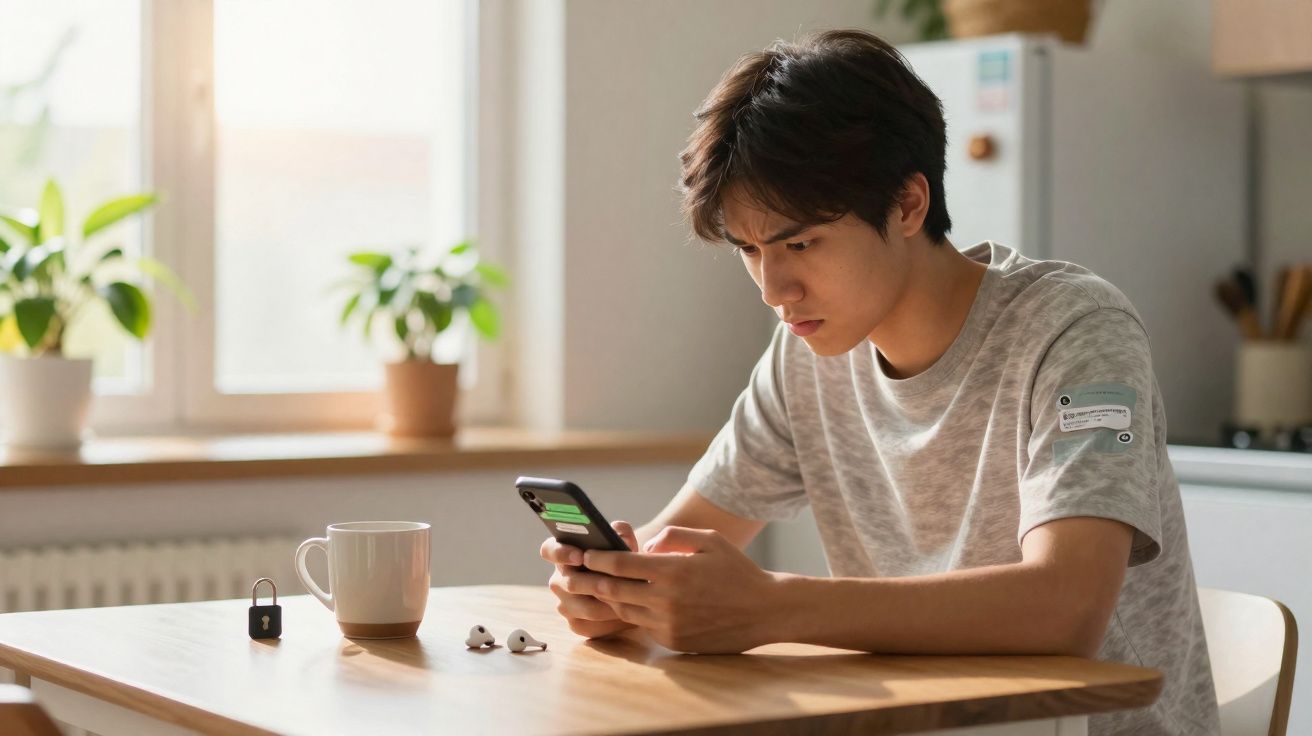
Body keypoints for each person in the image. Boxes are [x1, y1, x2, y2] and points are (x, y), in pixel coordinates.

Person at [539, 29, 1218, 735]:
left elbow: (1068, 608)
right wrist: (619, 591)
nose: (774, 288)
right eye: (749, 249)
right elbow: (675, 542)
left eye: (800, 243)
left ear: (907, 205)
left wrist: (771, 606)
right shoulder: (803, 355)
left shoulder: (1075, 330)